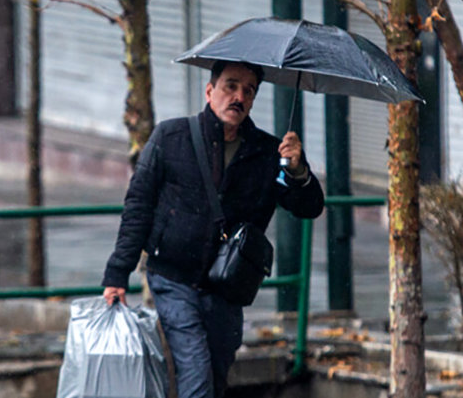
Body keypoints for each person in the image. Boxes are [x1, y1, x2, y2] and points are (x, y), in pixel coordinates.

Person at [102, 60, 325, 398]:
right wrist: (118, 273)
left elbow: (308, 207)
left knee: (216, 378)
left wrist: (298, 171)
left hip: (227, 287)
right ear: (210, 91)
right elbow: (138, 205)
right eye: (230, 86)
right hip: (173, 277)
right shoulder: (171, 136)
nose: (238, 97)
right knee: (197, 375)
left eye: (248, 91)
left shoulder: (268, 153)